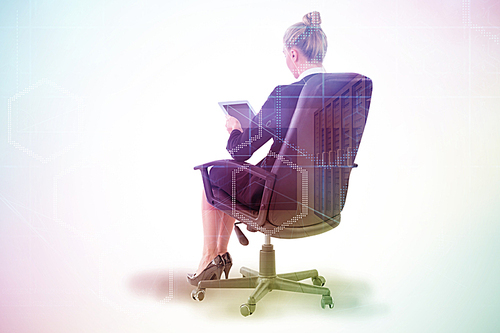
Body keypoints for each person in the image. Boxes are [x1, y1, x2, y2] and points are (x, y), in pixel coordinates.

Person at [187, 11, 329, 285]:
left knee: (213, 175)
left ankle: (210, 257)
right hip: (322, 198)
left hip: (280, 198)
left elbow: (241, 151)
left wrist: (236, 130)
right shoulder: (346, 91)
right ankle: (222, 255)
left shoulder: (284, 96)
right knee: (233, 177)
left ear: (294, 55)